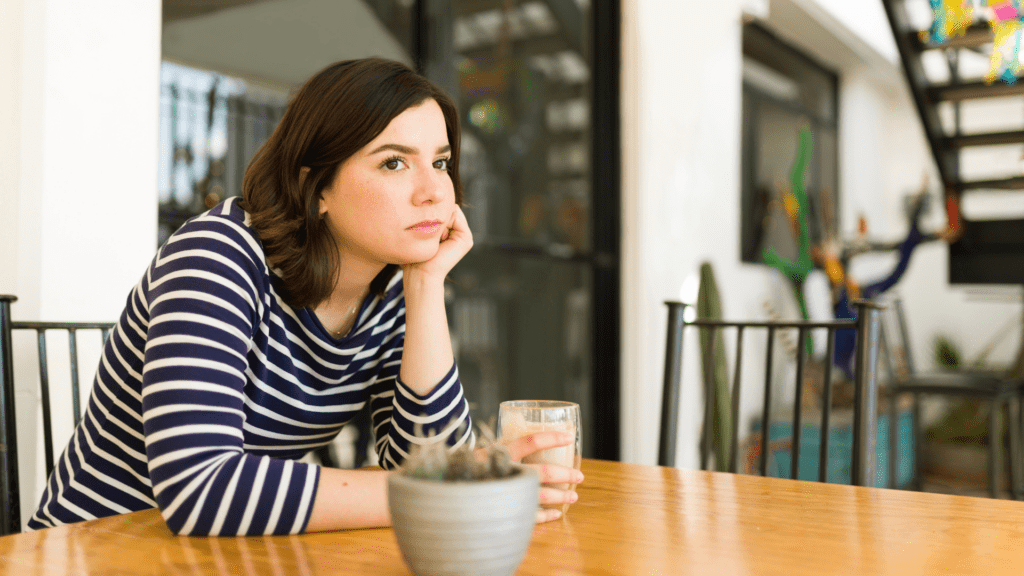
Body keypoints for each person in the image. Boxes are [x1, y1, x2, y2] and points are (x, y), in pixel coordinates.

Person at [29, 58, 582, 536]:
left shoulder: (391, 282)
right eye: (394, 162)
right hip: (95, 551)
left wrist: (426, 284)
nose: (436, 189)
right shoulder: (216, 256)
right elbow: (200, 486)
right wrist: (461, 484)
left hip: (231, 553)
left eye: (438, 161)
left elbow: (426, 462)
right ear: (316, 188)